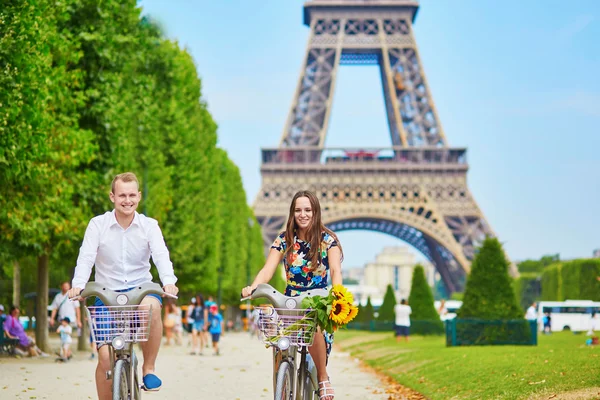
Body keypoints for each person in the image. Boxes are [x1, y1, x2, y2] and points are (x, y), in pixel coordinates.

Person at [68, 172, 179, 398]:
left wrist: (169, 282)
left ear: (139, 197)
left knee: (151, 307)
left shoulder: (150, 226)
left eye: (131, 195)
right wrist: (78, 285)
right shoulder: (97, 225)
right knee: (105, 360)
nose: (127, 200)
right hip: (106, 294)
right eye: (122, 195)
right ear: (112, 197)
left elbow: (160, 255)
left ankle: (148, 368)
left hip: (140, 289)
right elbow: (86, 257)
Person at [241, 190, 342, 400]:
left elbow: (334, 271)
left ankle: (323, 378)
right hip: (291, 302)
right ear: (292, 213)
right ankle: (282, 383)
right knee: (278, 343)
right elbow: (268, 269)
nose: (302, 214)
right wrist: (254, 286)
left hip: (318, 302)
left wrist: (338, 294)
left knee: (312, 325)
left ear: (316, 212)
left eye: (307, 210)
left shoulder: (328, 240)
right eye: (298, 210)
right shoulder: (284, 239)